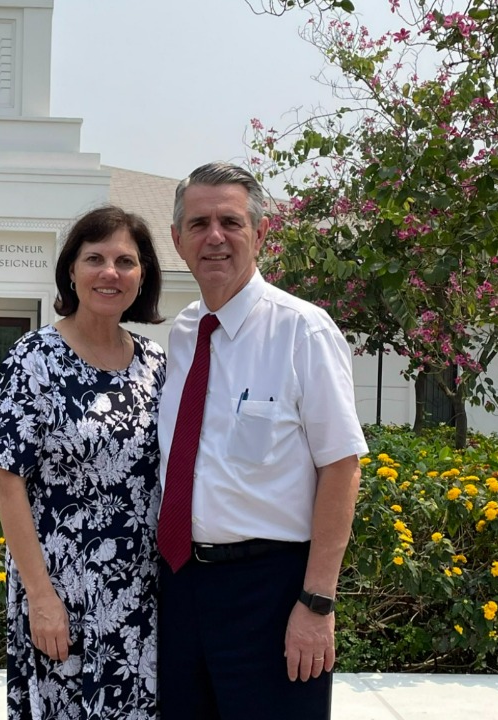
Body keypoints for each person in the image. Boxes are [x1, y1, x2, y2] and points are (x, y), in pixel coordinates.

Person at [157, 162, 368, 719]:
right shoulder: (180, 336)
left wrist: (316, 602)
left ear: (261, 233)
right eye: (198, 224)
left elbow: (342, 468)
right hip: (179, 590)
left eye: (231, 221)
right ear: (177, 240)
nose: (215, 237)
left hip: (271, 595)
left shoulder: (304, 331)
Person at [0, 205, 166, 720]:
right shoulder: (33, 359)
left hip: (142, 596)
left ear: (143, 275)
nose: (110, 273)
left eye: (125, 261)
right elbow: (6, 480)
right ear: (71, 269)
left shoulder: (155, 364)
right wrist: (40, 597)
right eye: (95, 258)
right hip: (62, 594)